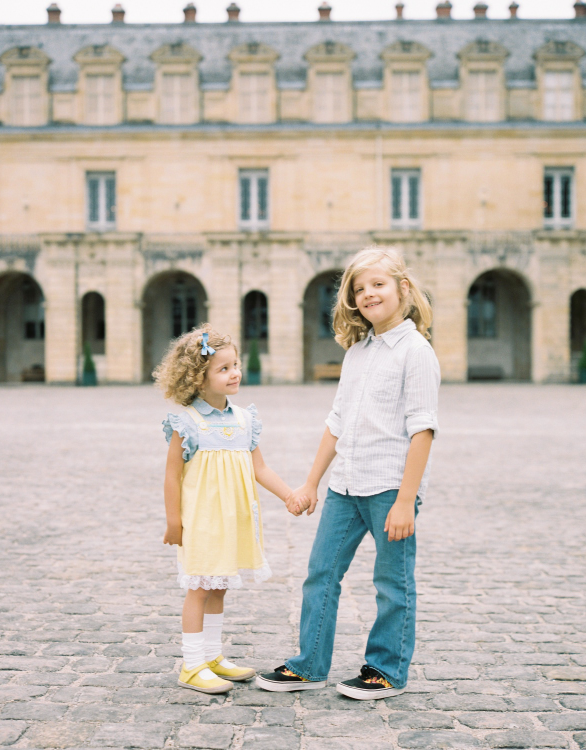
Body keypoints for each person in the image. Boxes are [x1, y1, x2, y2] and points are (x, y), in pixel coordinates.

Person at [256, 246, 440, 700]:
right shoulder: (357, 352)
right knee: (320, 573)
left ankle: (386, 671)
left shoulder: (416, 352)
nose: (369, 293)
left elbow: (423, 431)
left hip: (389, 489)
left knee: (392, 584)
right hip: (345, 486)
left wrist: (404, 501)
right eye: (359, 288)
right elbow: (337, 422)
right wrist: (311, 482)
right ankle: (309, 665)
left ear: (403, 288)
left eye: (378, 284)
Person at [155, 324, 304, 695]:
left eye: (234, 365)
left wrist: (289, 495)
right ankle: (191, 665)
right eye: (223, 368)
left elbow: (260, 468)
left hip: (233, 519)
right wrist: (174, 522)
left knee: (219, 588)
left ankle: (211, 656)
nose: (235, 372)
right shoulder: (186, 422)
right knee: (200, 588)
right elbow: (172, 476)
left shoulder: (244, 419)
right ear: (197, 377)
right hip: (202, 521)